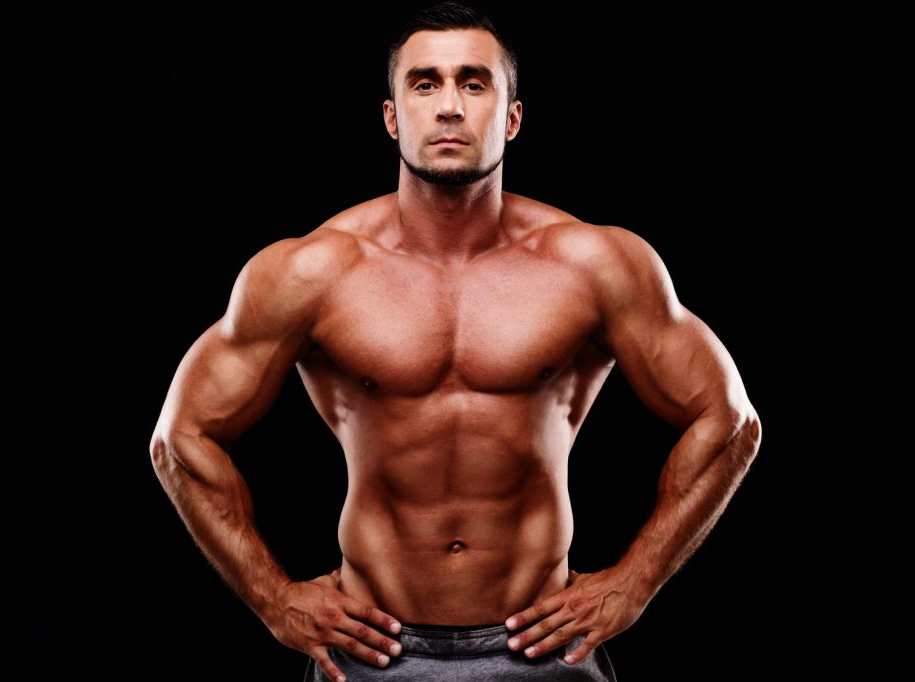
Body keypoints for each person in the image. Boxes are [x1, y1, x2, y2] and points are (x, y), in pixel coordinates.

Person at [148, 2, 762, 680]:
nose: (448, 106)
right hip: (371, 651)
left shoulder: (594, 266)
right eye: (425, 84)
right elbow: (181, 438)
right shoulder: (312, 272)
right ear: (392, 117)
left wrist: (635, 580)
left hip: (544, 648)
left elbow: (730, 421)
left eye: (474, 83)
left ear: (512, 117)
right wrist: (273, 599)